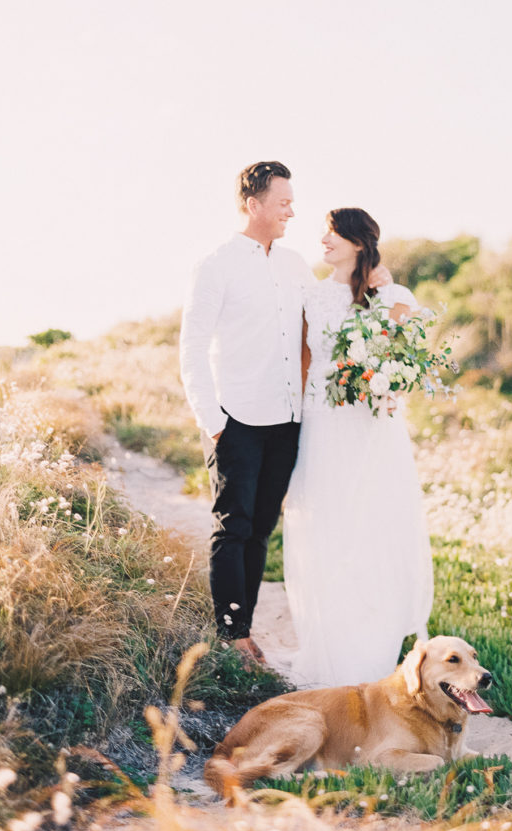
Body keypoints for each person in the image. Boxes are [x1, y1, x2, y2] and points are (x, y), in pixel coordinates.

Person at [283, 207, 434, 688]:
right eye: (324, 232)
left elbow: (406, 363)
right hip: (322, 425)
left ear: (356, 241)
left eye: (333, 233)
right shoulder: (311, 294)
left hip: (370, 430)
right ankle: (327, 643)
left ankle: (371, 646)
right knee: (324, 527)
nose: (323, 240)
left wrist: (384, 385)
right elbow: (304, 359)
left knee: (370, 526)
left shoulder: (392, 296)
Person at [180, 161, 312, 668]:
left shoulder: (296, 264)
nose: (291, 211)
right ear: (253, 204)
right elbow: (191, 347)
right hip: (234, 417)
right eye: (283, 202)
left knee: (260, 528)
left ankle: (245, 625)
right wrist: (213, 419)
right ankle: (230, 631)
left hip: (287, 418)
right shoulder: (215, 264)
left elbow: (321, 320)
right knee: (232, 526)